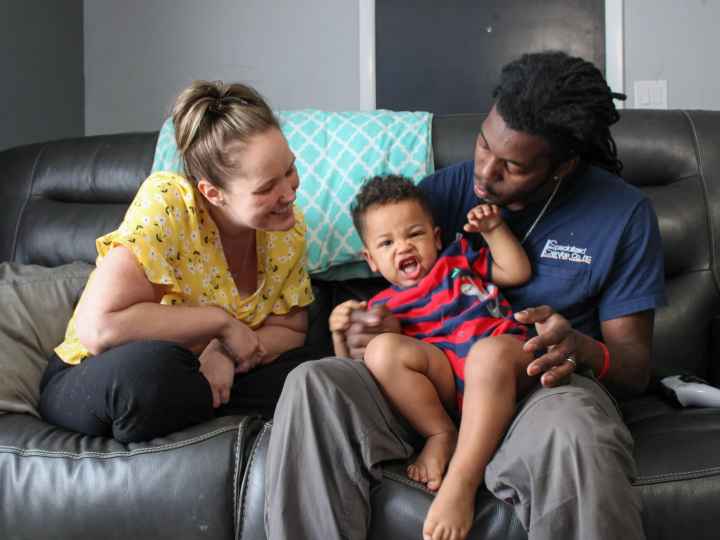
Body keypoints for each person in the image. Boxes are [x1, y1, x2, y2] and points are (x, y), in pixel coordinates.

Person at [266, 50, 665, 540]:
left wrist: (578, 348)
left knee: (576, 431)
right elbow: (396, 299)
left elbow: (632, 368)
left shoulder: (623, 216)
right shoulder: (445, 192)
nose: (485, 173)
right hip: (431, 387)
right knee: (314, 383)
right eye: (482, 145)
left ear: (562, 166)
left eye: (512, 166)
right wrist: (360, 337)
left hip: (537, 392)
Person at [39, 80, 315, 443]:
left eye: (289, 170)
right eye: (266, 188)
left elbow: (292, 331)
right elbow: (100, 330)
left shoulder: (287, 230)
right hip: (100, 373)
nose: (289, 192)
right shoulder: (169, 202)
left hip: (219, 374)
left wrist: (226, 353)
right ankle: (199, 403)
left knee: (315, 375)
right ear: (212, 193)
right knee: (153, 373)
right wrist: (220, 325)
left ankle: (196, 405)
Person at [331, 174, 540, 539]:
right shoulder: (380, 307)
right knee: (381, 351)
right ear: (371, 261)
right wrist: (340, 331)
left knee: (490, 357)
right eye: (386, 242)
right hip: (445, 381)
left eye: (414, 234)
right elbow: (354, 371)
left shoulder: (458, 261)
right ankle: (441, 433)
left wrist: (493, 230)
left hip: (499, 364)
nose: (403, 247)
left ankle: (463, 480)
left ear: (437, 237)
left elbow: (517, 271)